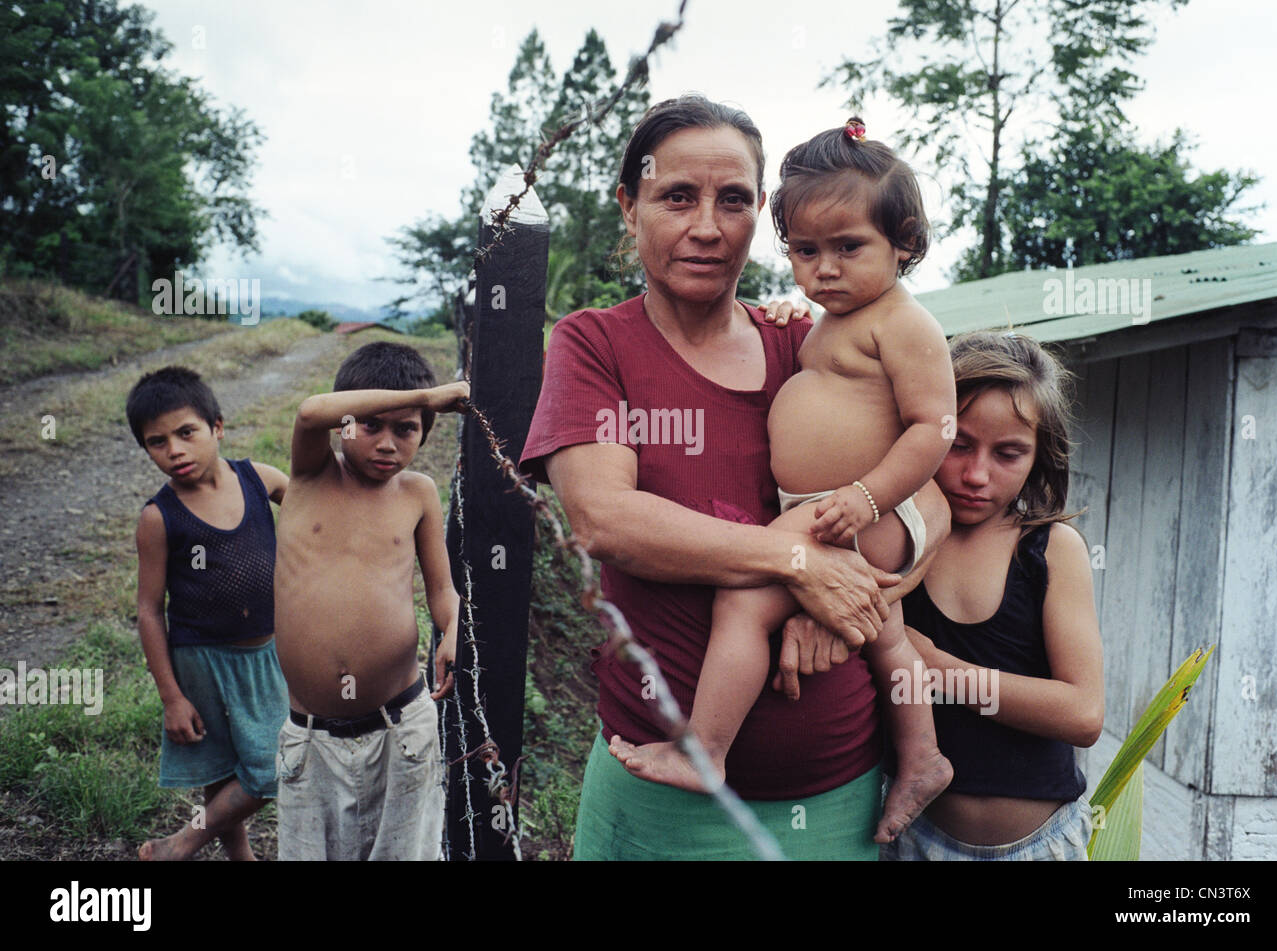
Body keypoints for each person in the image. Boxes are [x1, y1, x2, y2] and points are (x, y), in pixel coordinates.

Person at [520, 95, 950, 860]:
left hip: (833, 793)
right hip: (653, 799)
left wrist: (851, 593)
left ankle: (919, 754)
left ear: (758, 212)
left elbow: (933, 496)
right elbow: (606, 520)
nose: (708, 226)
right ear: (629, 205)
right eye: (676, 196)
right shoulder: (596, 345)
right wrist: (799, 564)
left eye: (734, 199)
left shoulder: (807, 345)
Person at [882, 331, 1104, 860]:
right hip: (909, 839)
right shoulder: (894, 537)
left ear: (1039, 456)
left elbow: (1083, 714)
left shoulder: (1050, 550)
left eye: (1008, 453)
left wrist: (934, 668)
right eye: (958, 444)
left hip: (1039, 847)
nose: (976, 475)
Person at [272, 341, 468, 861]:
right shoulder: (314, 476)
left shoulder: (418, 493)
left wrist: (451, 630)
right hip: (312, 740)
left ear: (424, 432)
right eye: (370, 425)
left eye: (406, 429)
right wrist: (428, 395)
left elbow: (441, 590)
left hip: (400, 727)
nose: (387, 444)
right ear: (344, 426)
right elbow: (310, 410)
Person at [128, 366, 289, 861]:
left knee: (273, 766)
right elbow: (150, 611)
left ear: (217, 427)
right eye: (157, 442)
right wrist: (171, 696)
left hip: (268, 652)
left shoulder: (260, 480)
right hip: (199, 658)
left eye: (186, 433)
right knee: (221, 767)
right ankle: (239, 856)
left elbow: (312, 503)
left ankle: (183, 843)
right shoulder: (159, 518)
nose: (174, 450)